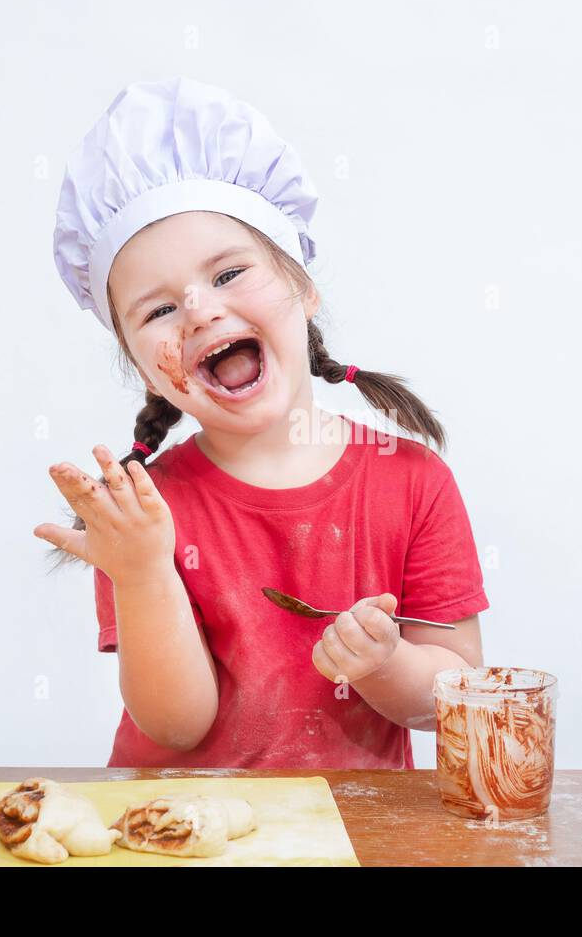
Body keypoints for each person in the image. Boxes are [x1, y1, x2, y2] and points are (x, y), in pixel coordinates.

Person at [37, 76, 489, 768]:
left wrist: (386, 661)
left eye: (227, 274)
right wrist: (142, 573)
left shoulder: (413, 481)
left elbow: (454, 695)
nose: (199, 310)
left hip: (349, 832)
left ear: (303, 288)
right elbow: (176, 727)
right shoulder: (140, 513)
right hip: (180, 830)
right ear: (142, 366)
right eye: (158, 311)